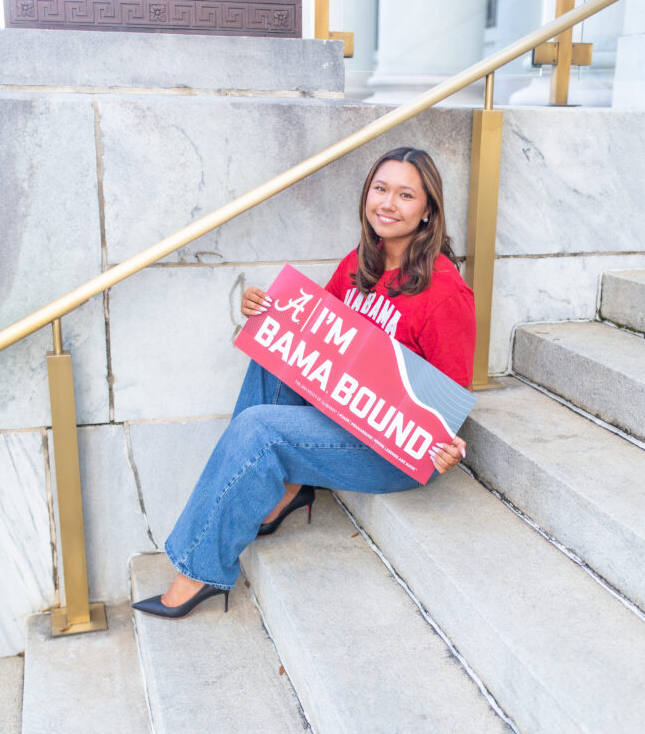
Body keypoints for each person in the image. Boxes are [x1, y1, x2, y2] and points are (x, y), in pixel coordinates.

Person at [132, 147, 476, 619]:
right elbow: (310, 336)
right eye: (380, 189)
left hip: (391, 452)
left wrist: (448, 451)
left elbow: (448, 404)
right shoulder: (360, 262)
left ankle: (198, 570)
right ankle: (287, 489)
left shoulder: (445, 293)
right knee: (273, 354)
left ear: (428, 211)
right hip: (344, 416)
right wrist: (265, 312)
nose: (388, 204)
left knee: (260, 429)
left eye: (405, 195)